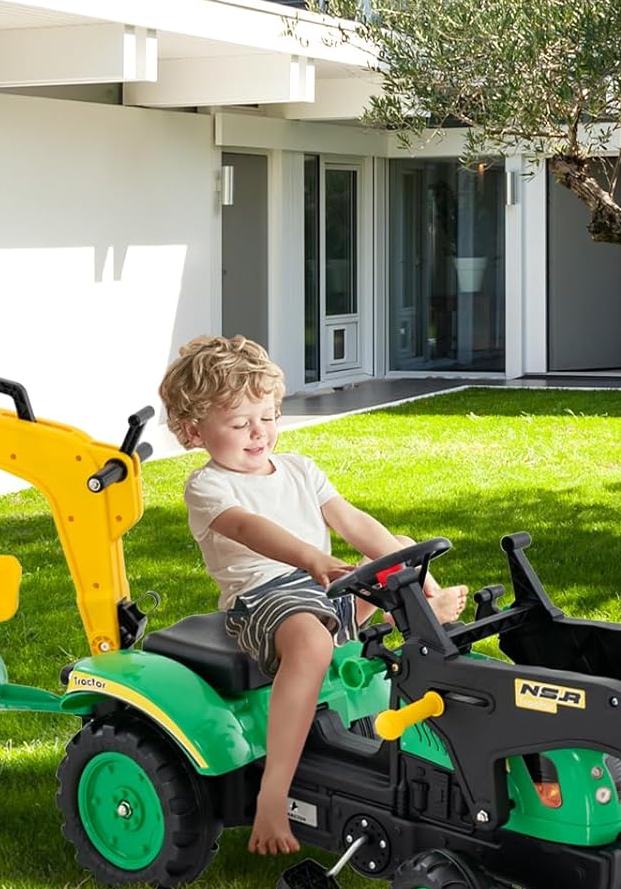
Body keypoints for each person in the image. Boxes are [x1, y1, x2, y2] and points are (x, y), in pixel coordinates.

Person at [159, 335, 468, 855]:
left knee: (399, 552)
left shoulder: (301, 469)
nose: (259, 433)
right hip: (266, 601)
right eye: (239, 424)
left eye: (268, 416)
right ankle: (272, 798)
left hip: (330, 588)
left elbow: (354, 523)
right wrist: (310, 558)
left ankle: (417, 624)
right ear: (194, 430)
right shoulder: (208, 486)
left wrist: (416, 571)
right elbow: (252, 529)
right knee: (311, 641)